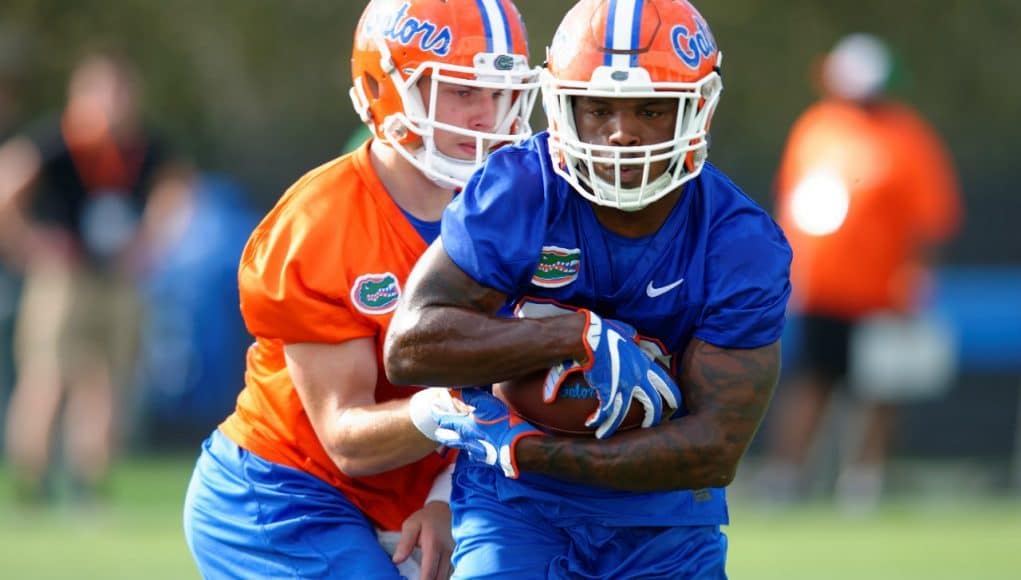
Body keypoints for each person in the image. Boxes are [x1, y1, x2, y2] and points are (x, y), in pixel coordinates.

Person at [383, 0, 792, 577]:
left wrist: (531, 450)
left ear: (695, 113)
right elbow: (409, 346)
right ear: (561, 106)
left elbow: (715, 446)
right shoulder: (519, 190)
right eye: (598, 109)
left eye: (651, 110)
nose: (622, 134)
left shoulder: (738, 242)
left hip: (665, 521)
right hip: (514, 507)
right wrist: (573, 335)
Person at [182, 0, 539, 578]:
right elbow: (347, 438)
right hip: (287, 493)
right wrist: (451, 415)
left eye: (500, 93)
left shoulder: (513, 207)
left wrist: (446, 499)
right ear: (386, 88)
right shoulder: (321, 221)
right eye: (462, 91)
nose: (487, 117)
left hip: (418, 486)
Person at [758, 33, 963, 510]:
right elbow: (792, 203)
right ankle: (787, 477)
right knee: (810, 382)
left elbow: (930, 218)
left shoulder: (908, 136)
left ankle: (864, 481)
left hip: (883, 291)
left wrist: (918, 278)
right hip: (822, 289)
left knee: (880, 389)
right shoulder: (815, 128)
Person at [0, 50, 184, 504]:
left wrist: (147, 244)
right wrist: (30, 245)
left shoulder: (143, 148)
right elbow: (8, 188)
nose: (114, 102)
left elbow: (177, 192)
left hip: (117, 280)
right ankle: (32, 480)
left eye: (122, 92)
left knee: (106, 382)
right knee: (49, 376)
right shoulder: (57, 142)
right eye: (104, 92)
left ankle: (88, 482)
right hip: (64, 278)